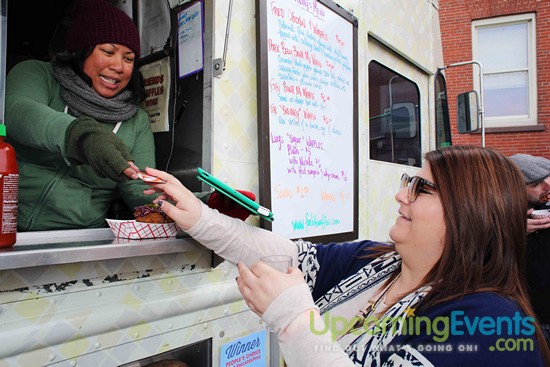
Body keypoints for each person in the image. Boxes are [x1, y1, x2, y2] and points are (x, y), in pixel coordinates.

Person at [139, 145, 549, 366]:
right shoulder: (377, 263)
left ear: (469, 211)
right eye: (408, 181)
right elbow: (281, 254)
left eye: (420, 188)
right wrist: (199, 218)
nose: (400, 195)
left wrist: (296, 322)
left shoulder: (493, 325)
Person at [4, 0, 251, 231]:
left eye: (129, 58)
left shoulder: (136, 120)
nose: (119, 67)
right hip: (7, 223)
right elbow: (18, 112)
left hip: (77, 236)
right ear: (82, 51)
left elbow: (140, 189)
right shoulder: (38, 75)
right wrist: (82, 136)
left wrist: (205, 206)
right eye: (108, 51)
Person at [509, 153, 550, 346]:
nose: (546, 188)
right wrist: (513, 231)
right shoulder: (502, 216)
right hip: (530, 318)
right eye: (535, 184)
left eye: (546, 180)